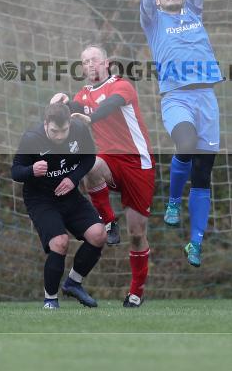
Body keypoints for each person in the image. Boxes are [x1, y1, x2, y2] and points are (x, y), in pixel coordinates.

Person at [141, 0, 224, 267]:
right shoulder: (152, 20)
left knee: (203, 175)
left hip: (207, 98)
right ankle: (173, 201)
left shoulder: (193, 12)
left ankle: (195, 243)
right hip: (176, 98)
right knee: (186, 143)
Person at [51, 45, 155, 307]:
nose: (90, 65)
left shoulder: (122, 86)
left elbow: (110, 106)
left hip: (138, 164)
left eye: (94, 60)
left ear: (106, 63)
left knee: (137, 233)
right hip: (110, 160)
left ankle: (136, 293)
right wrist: (60, 104)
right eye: (85, 61)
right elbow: (72, 108)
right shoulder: (83, 94)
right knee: (89, 165)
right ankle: (109, 222)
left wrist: (91, 118)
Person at [11, 103, 107, 309]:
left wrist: (73, 179)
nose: (60, 136)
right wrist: (31, 170)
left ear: (70, 124)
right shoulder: (32, 139)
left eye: (64, 131)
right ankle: (50, 300)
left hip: (69, 194)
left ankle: (73, 283)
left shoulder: (79, 129)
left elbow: (89, 157)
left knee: (99, 234)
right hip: (41, 199)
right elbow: (16, 171)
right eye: (55, 131)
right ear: (46, 124)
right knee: (60, 242)